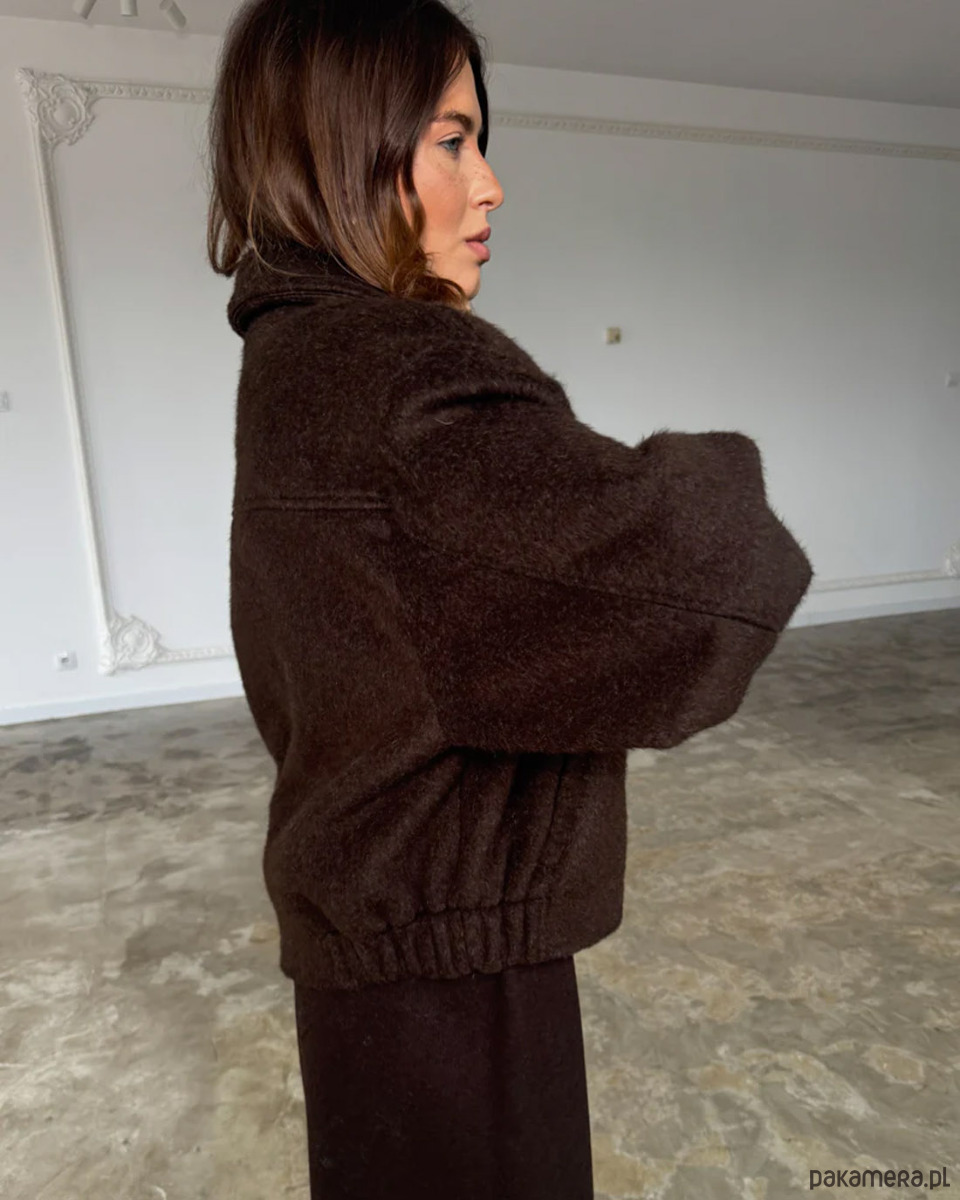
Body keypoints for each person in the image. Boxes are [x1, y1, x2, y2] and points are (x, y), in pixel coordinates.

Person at [205, 1, 814, 1197]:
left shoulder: (294, 358)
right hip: (450, 961)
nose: (489, 185)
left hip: (365, 924)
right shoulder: (407, 370)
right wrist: (704, 466)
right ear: (340, 144)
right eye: (451, 140)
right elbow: (714, 575)